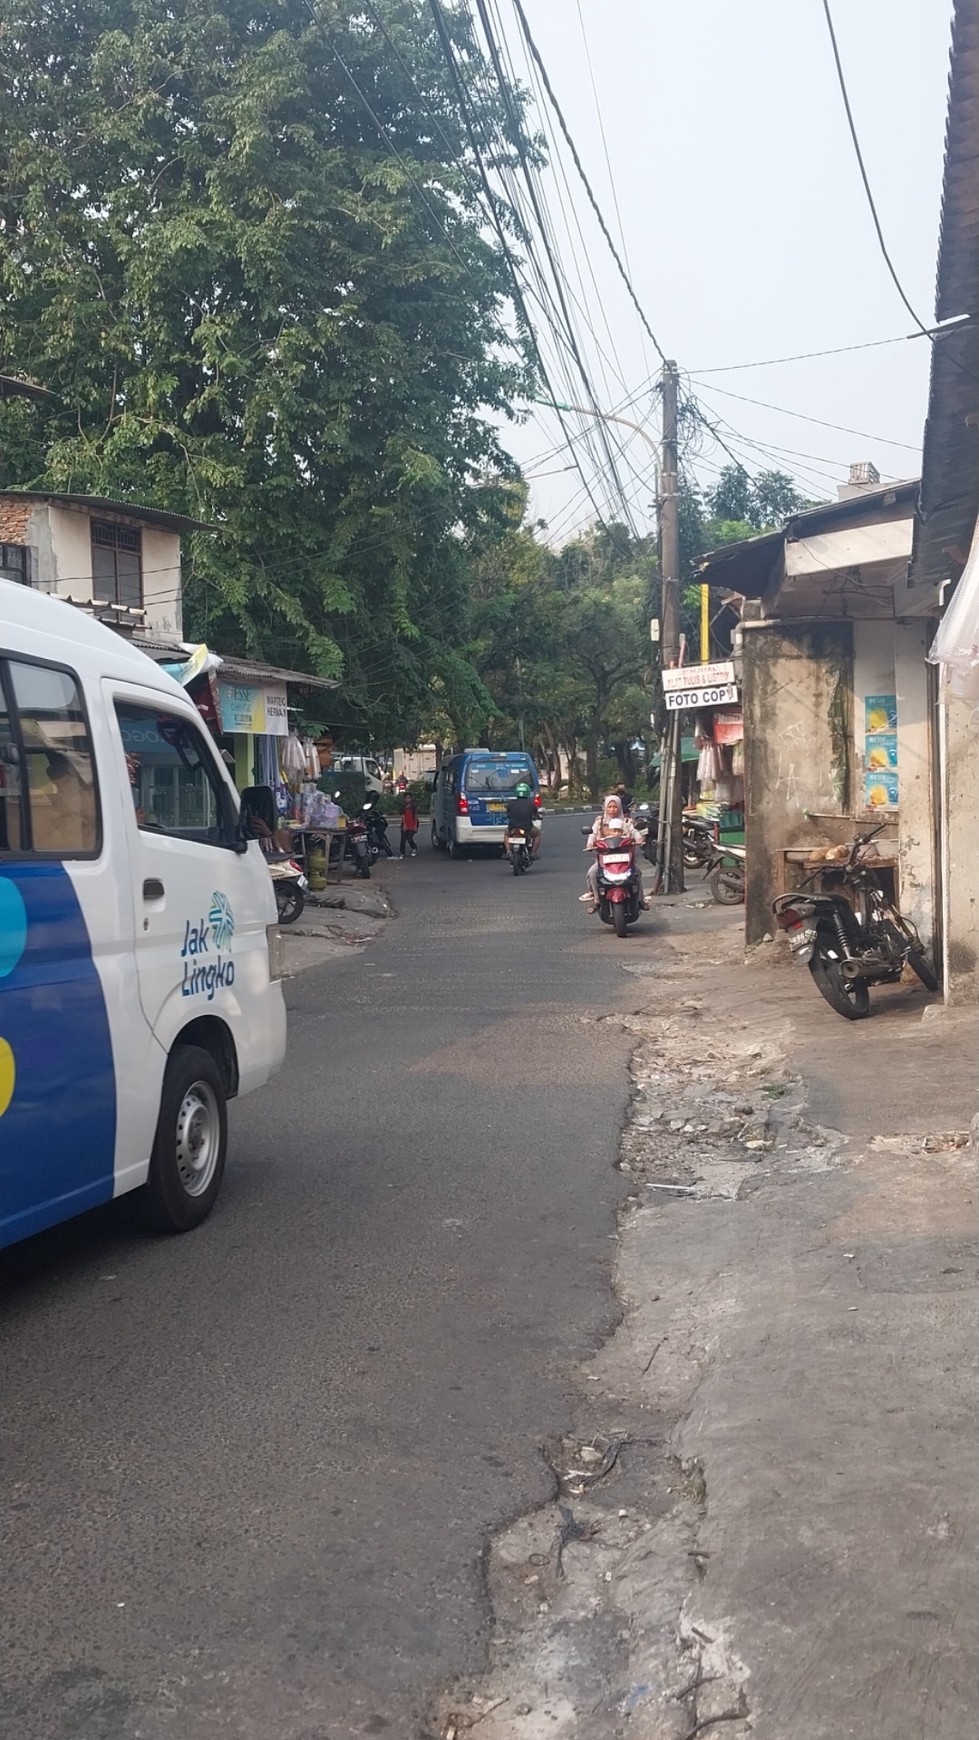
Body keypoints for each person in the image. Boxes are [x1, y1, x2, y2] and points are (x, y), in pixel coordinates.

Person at [580, 793, 647, 911]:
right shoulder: (600, 822)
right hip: (605, 858)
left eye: (615, 807)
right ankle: (596, 900)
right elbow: (592, 834)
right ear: (606, 808)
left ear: (619, 807)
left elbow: (634, 832)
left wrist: (639, 839)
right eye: (609, 807)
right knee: (592, 873)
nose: (612, 809)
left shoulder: (626, 822)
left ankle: (640, 900)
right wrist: (590, 844)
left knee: (637, 873)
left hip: (625, 858)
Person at [504, 781, 541, 858]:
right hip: (527, 828)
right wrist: (537, 817)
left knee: (506, 834)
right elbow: (536, 814)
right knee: (537, 834)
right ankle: (533, 853)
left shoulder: (510, 803)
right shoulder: (531, 804)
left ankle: (508, 852)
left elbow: (508, 814)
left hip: (513, 828)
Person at [399, 793, 419, 858]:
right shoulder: (403, 806)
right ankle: (402, 853)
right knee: (403, 840)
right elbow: (403, 815)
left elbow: (416, 815)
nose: (407, 799)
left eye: (409, 798)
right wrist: (404, 824)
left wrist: (415, 825)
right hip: (405, 823)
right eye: (406, 798)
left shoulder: (414, 806)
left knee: (409, 838)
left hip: (412, 823)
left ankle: (414, 848)